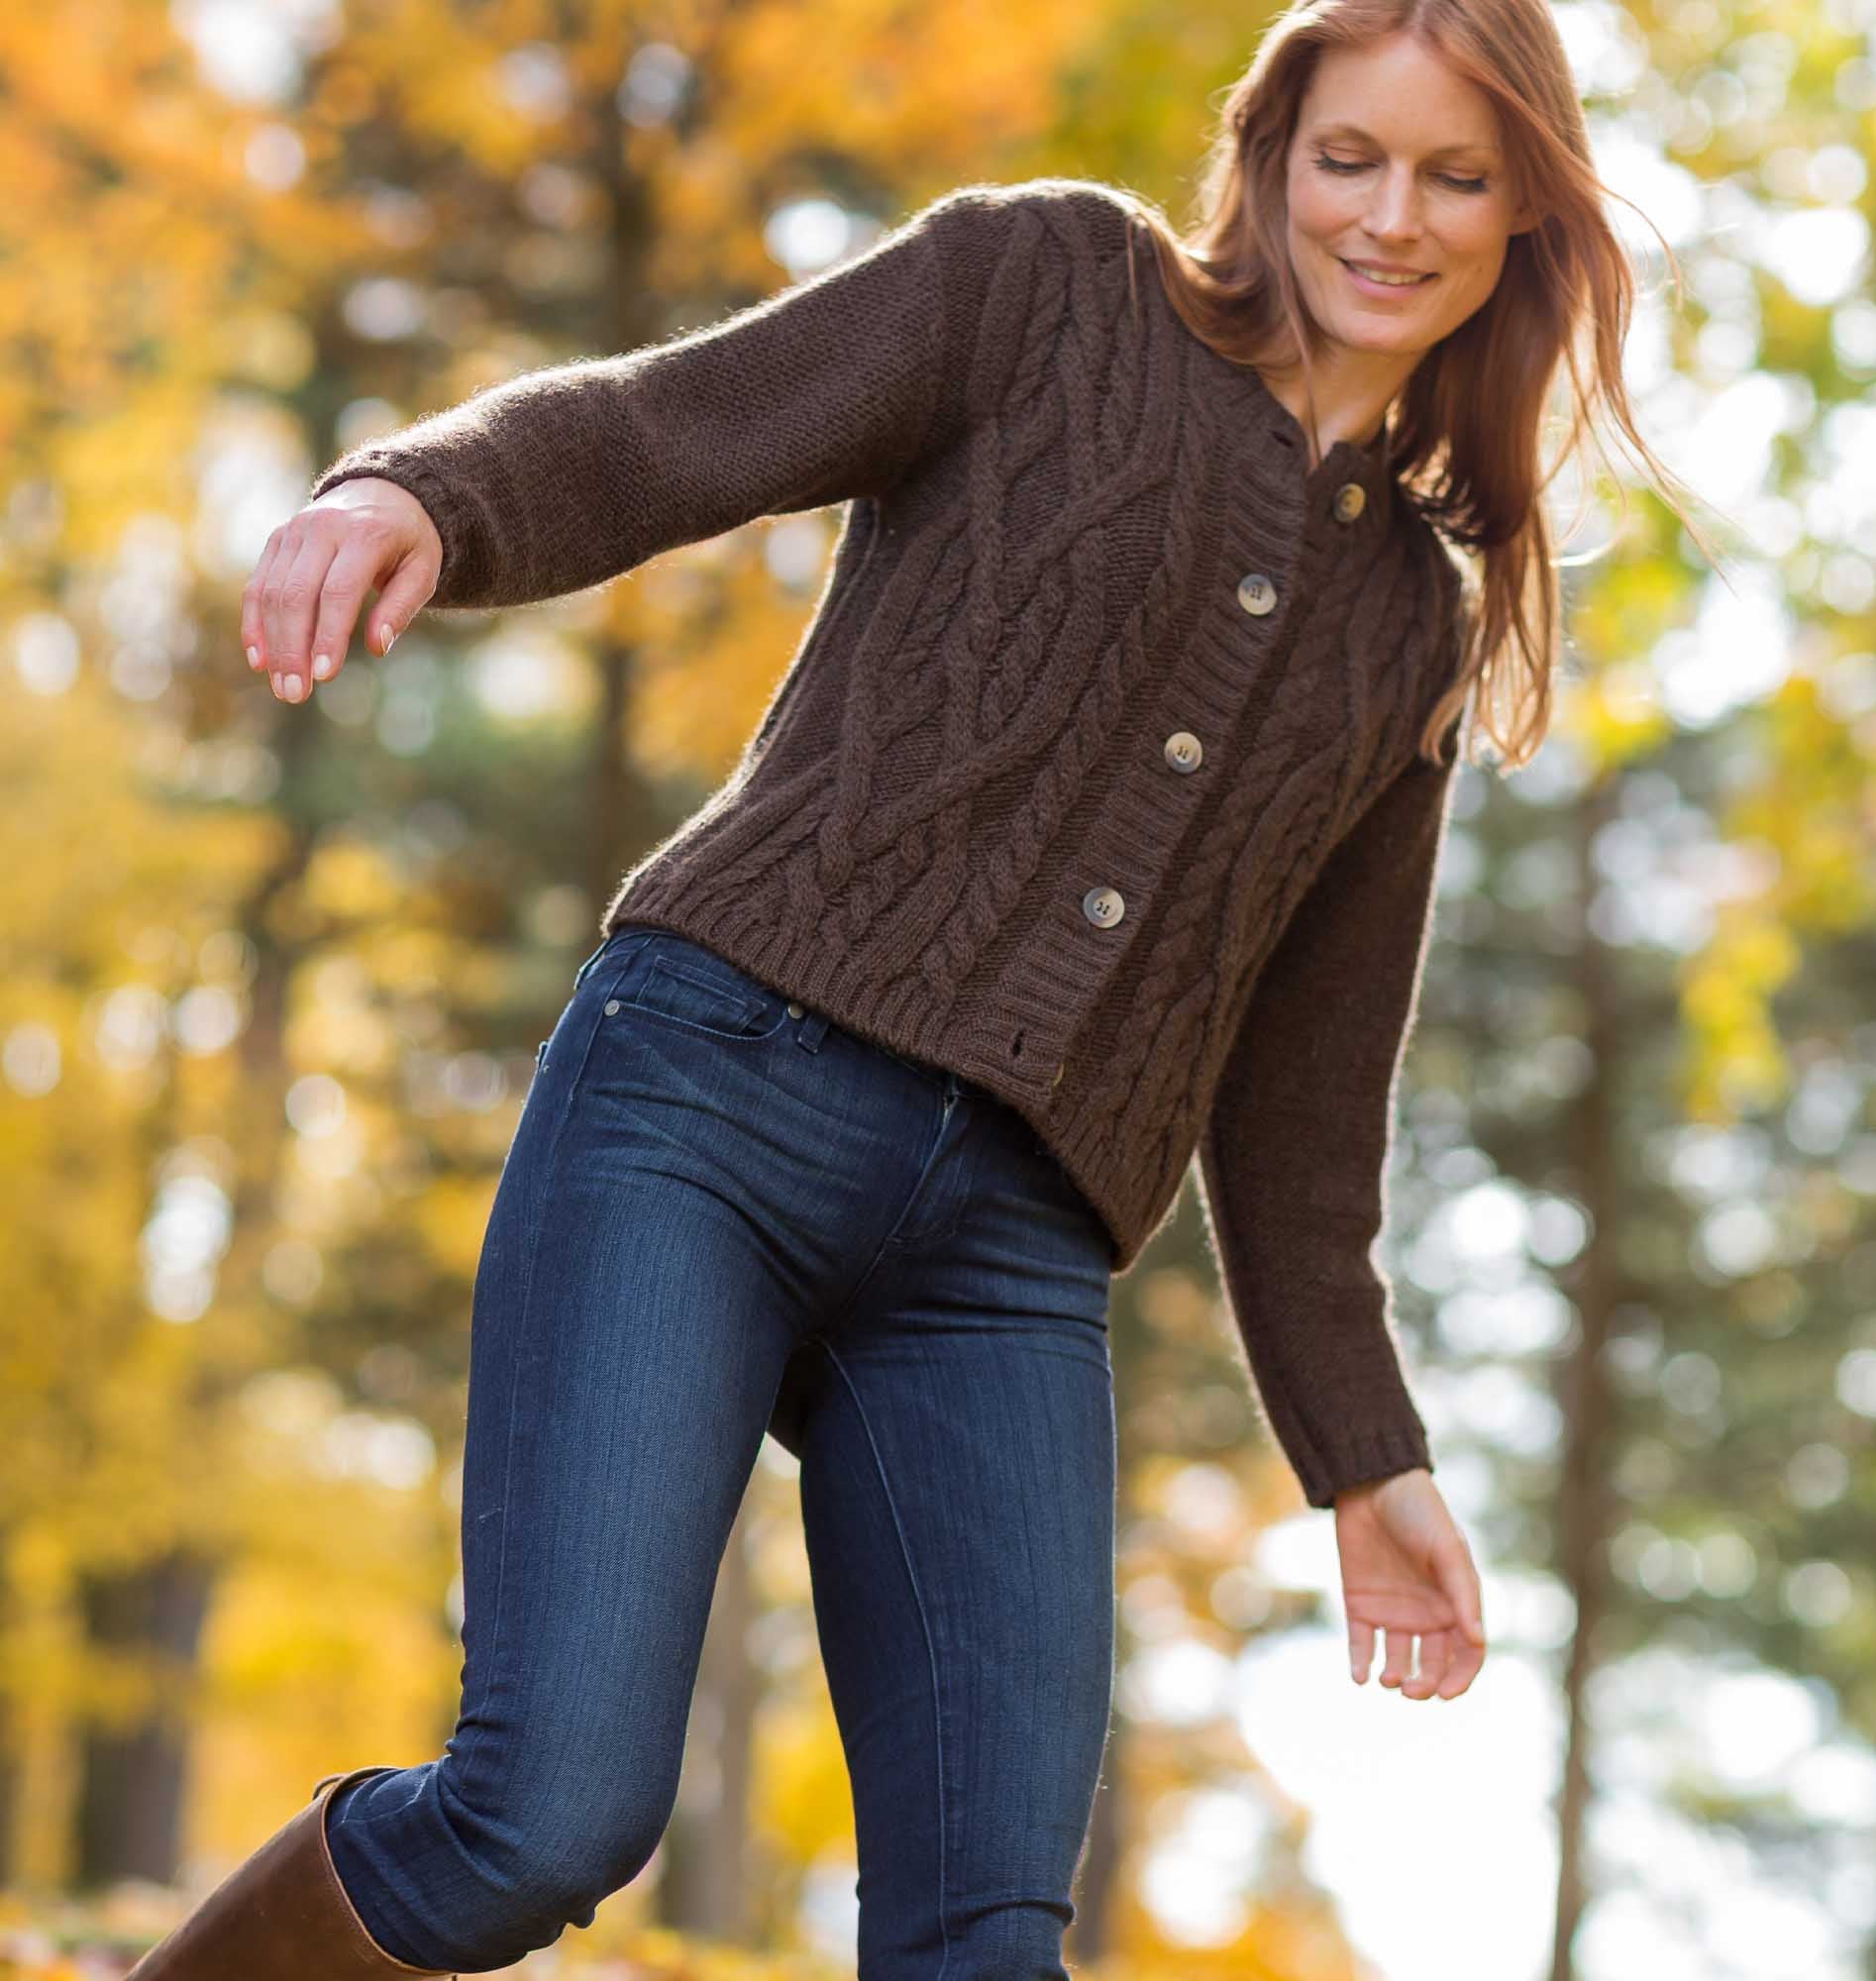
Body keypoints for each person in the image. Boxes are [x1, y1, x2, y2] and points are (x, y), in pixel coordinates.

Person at [134, 2, 1707, 1975]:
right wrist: (420, 498)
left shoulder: (1415, 622)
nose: (1389, 217)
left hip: (1004, 1258)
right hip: (709, 1095)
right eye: (1347, 159)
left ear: (1523, 217)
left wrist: (1366, 1455)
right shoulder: (1048, 285)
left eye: (1453, 176)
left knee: (984, 1945)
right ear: (1269, 160)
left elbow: (1302, 1111)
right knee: (544, 1813)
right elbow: (666, 432)